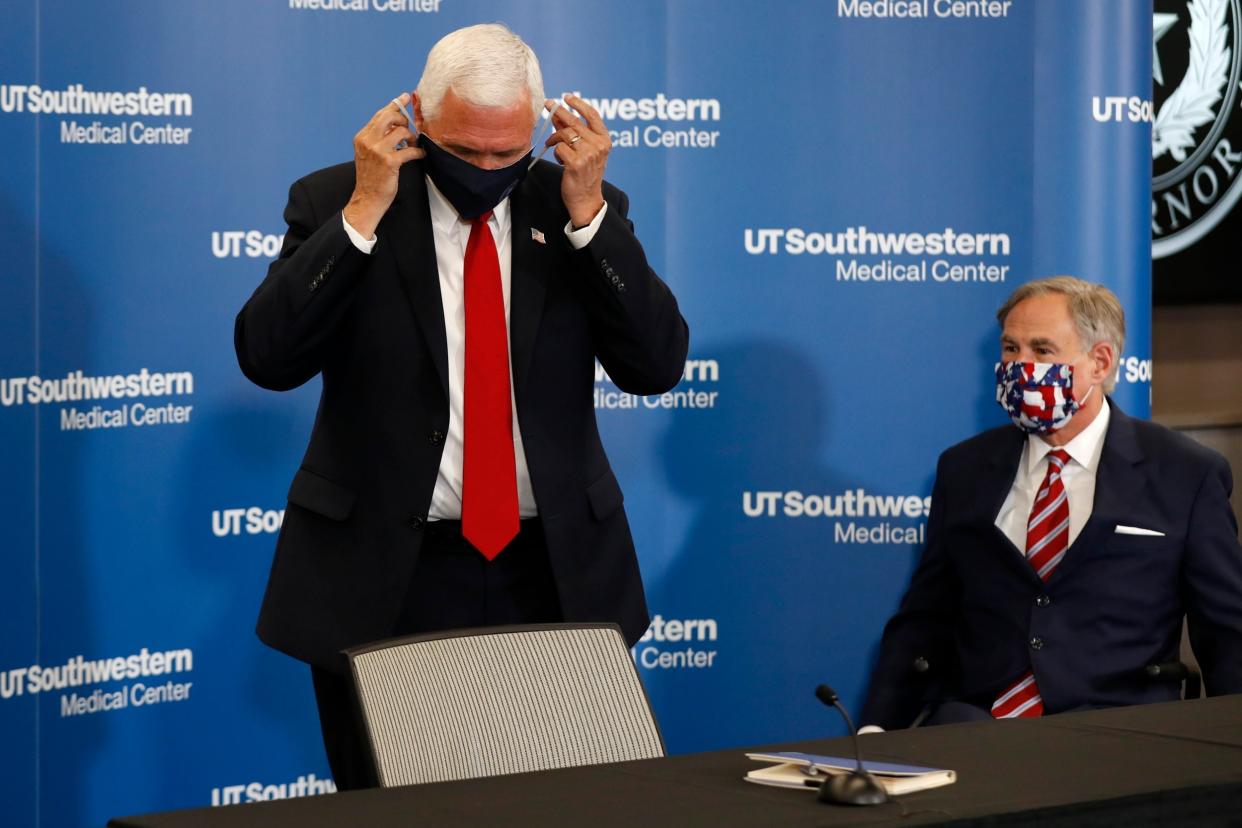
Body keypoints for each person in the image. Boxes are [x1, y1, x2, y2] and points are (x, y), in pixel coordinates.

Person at [234, 23, 688, 787]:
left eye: (506, 154)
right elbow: (268, 359)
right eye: (464, 150)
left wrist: (590, 222)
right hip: (385, 576)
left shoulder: (579, 204)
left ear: (544, 130)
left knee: (565, 805)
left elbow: (655, 365)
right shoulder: (338, 198)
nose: (485, 169)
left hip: (550, 576)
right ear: (418, 118)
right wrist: (363, 212)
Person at [860, 276, 1242, 730]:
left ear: (1099, 361)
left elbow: (1226, 630)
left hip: (1119, 733)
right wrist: (876, 735)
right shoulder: (964, 468)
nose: (1020, 367)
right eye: (1010, 349)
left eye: (1042, 351)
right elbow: (925, 618)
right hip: (976, 728)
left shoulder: (1184, 473)